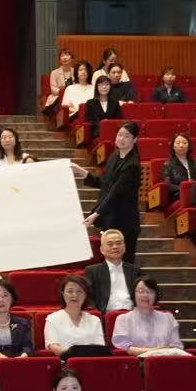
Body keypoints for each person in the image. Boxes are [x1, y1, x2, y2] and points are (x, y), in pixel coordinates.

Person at [76, 121, 142, 259]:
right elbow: (104, 183)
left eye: (127, 136)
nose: (122, 139)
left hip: (124, 220)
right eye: (120, 135)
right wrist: (80, 171)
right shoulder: (114, 156)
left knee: (124, 262)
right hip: (110, 218)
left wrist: (95, 214)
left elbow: (115, 193)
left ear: (134, 140)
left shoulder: (132, 165)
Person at [113, 278, 188, 356]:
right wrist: (154, 351)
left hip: (165, 361)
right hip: (136, 361)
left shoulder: (168, 318)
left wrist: (157, 352)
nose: (145, 295)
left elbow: (176, 346)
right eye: (141, 291)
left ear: (156, 295)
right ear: (133, 294)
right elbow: (125, 347)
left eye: (150, 291)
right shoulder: (123, 319)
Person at [42, 274, 106, 357]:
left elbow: (100, 348)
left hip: (91, 362)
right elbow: (53, 347)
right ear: (63, 294)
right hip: (64, 362)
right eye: (70, 291)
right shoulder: (52, 319)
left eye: (79, 291)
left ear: (85, 295)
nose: (74, 295)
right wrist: (74, 354)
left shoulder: (95, 320)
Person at [83, 230, 143, 314]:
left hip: (132, 315)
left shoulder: (134, 270)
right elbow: (88, 297)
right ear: (101, 249)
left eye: (118, 243)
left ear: (124, 247)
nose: (115, 247)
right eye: (110, 244)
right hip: (106, 315)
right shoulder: (93, 271)